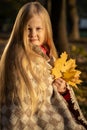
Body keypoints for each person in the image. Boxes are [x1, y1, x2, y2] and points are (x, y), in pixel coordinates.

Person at [0, 2, 87, 130]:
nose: (33, 34)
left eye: (38, 29)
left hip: (48, 112)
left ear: (46, 30)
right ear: (20, 29)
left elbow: (50, 89)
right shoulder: (17, 57)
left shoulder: (48, 55)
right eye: (28, 29)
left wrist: (62, 90)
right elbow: (18, 101)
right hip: (28, 117)